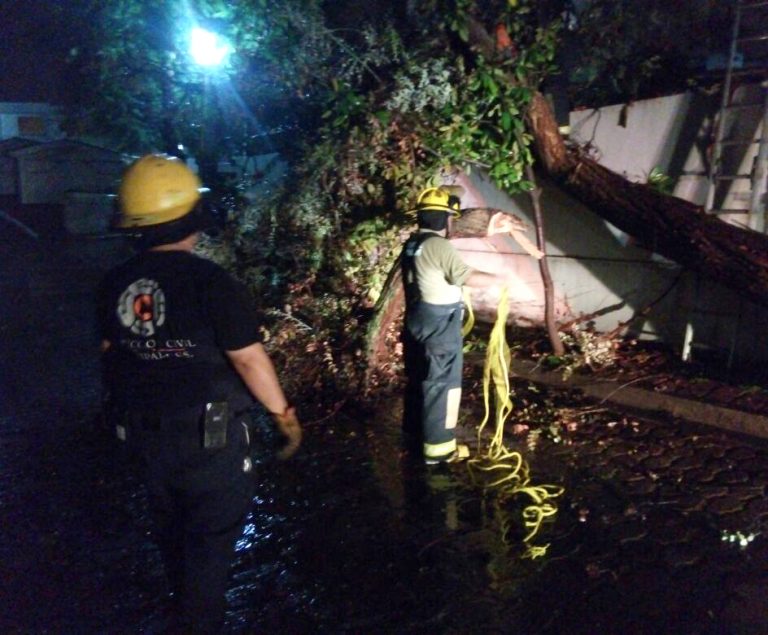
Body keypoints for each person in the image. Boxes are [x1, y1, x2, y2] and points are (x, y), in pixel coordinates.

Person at [97, 154, 302, 633]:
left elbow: (109, 354)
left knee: (171, 535)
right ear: (193, 218)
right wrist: (283, 415)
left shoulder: (113, 283)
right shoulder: (212, 282)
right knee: (209, 548)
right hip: (209, 446)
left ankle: (185, 608)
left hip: (145, 440)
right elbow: (248, 358)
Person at [400, 186, 514, 465]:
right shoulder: (439, 245)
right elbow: (466, 276)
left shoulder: (412, 243)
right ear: (445, 219)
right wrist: (499, 279)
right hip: (440, 323)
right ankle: (439, 450)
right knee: (443, 385)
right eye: (451, 217)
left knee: (420, 379)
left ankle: (415, 436)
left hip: (417, 317)